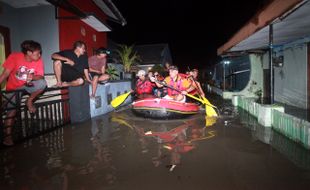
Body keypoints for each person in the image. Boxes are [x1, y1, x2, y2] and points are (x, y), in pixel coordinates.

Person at [0, 40, 47, 145]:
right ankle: (7, 136)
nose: (40, 55)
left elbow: (41, 76)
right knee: (12, 111)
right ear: (29, 53)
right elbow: (5, 74)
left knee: (43, 83)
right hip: (13, 87)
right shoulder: (14, 57)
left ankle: (29, 101)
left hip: (26, 86)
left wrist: (32, 77)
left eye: (40, 52)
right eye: (37, 53)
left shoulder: (39, 60)